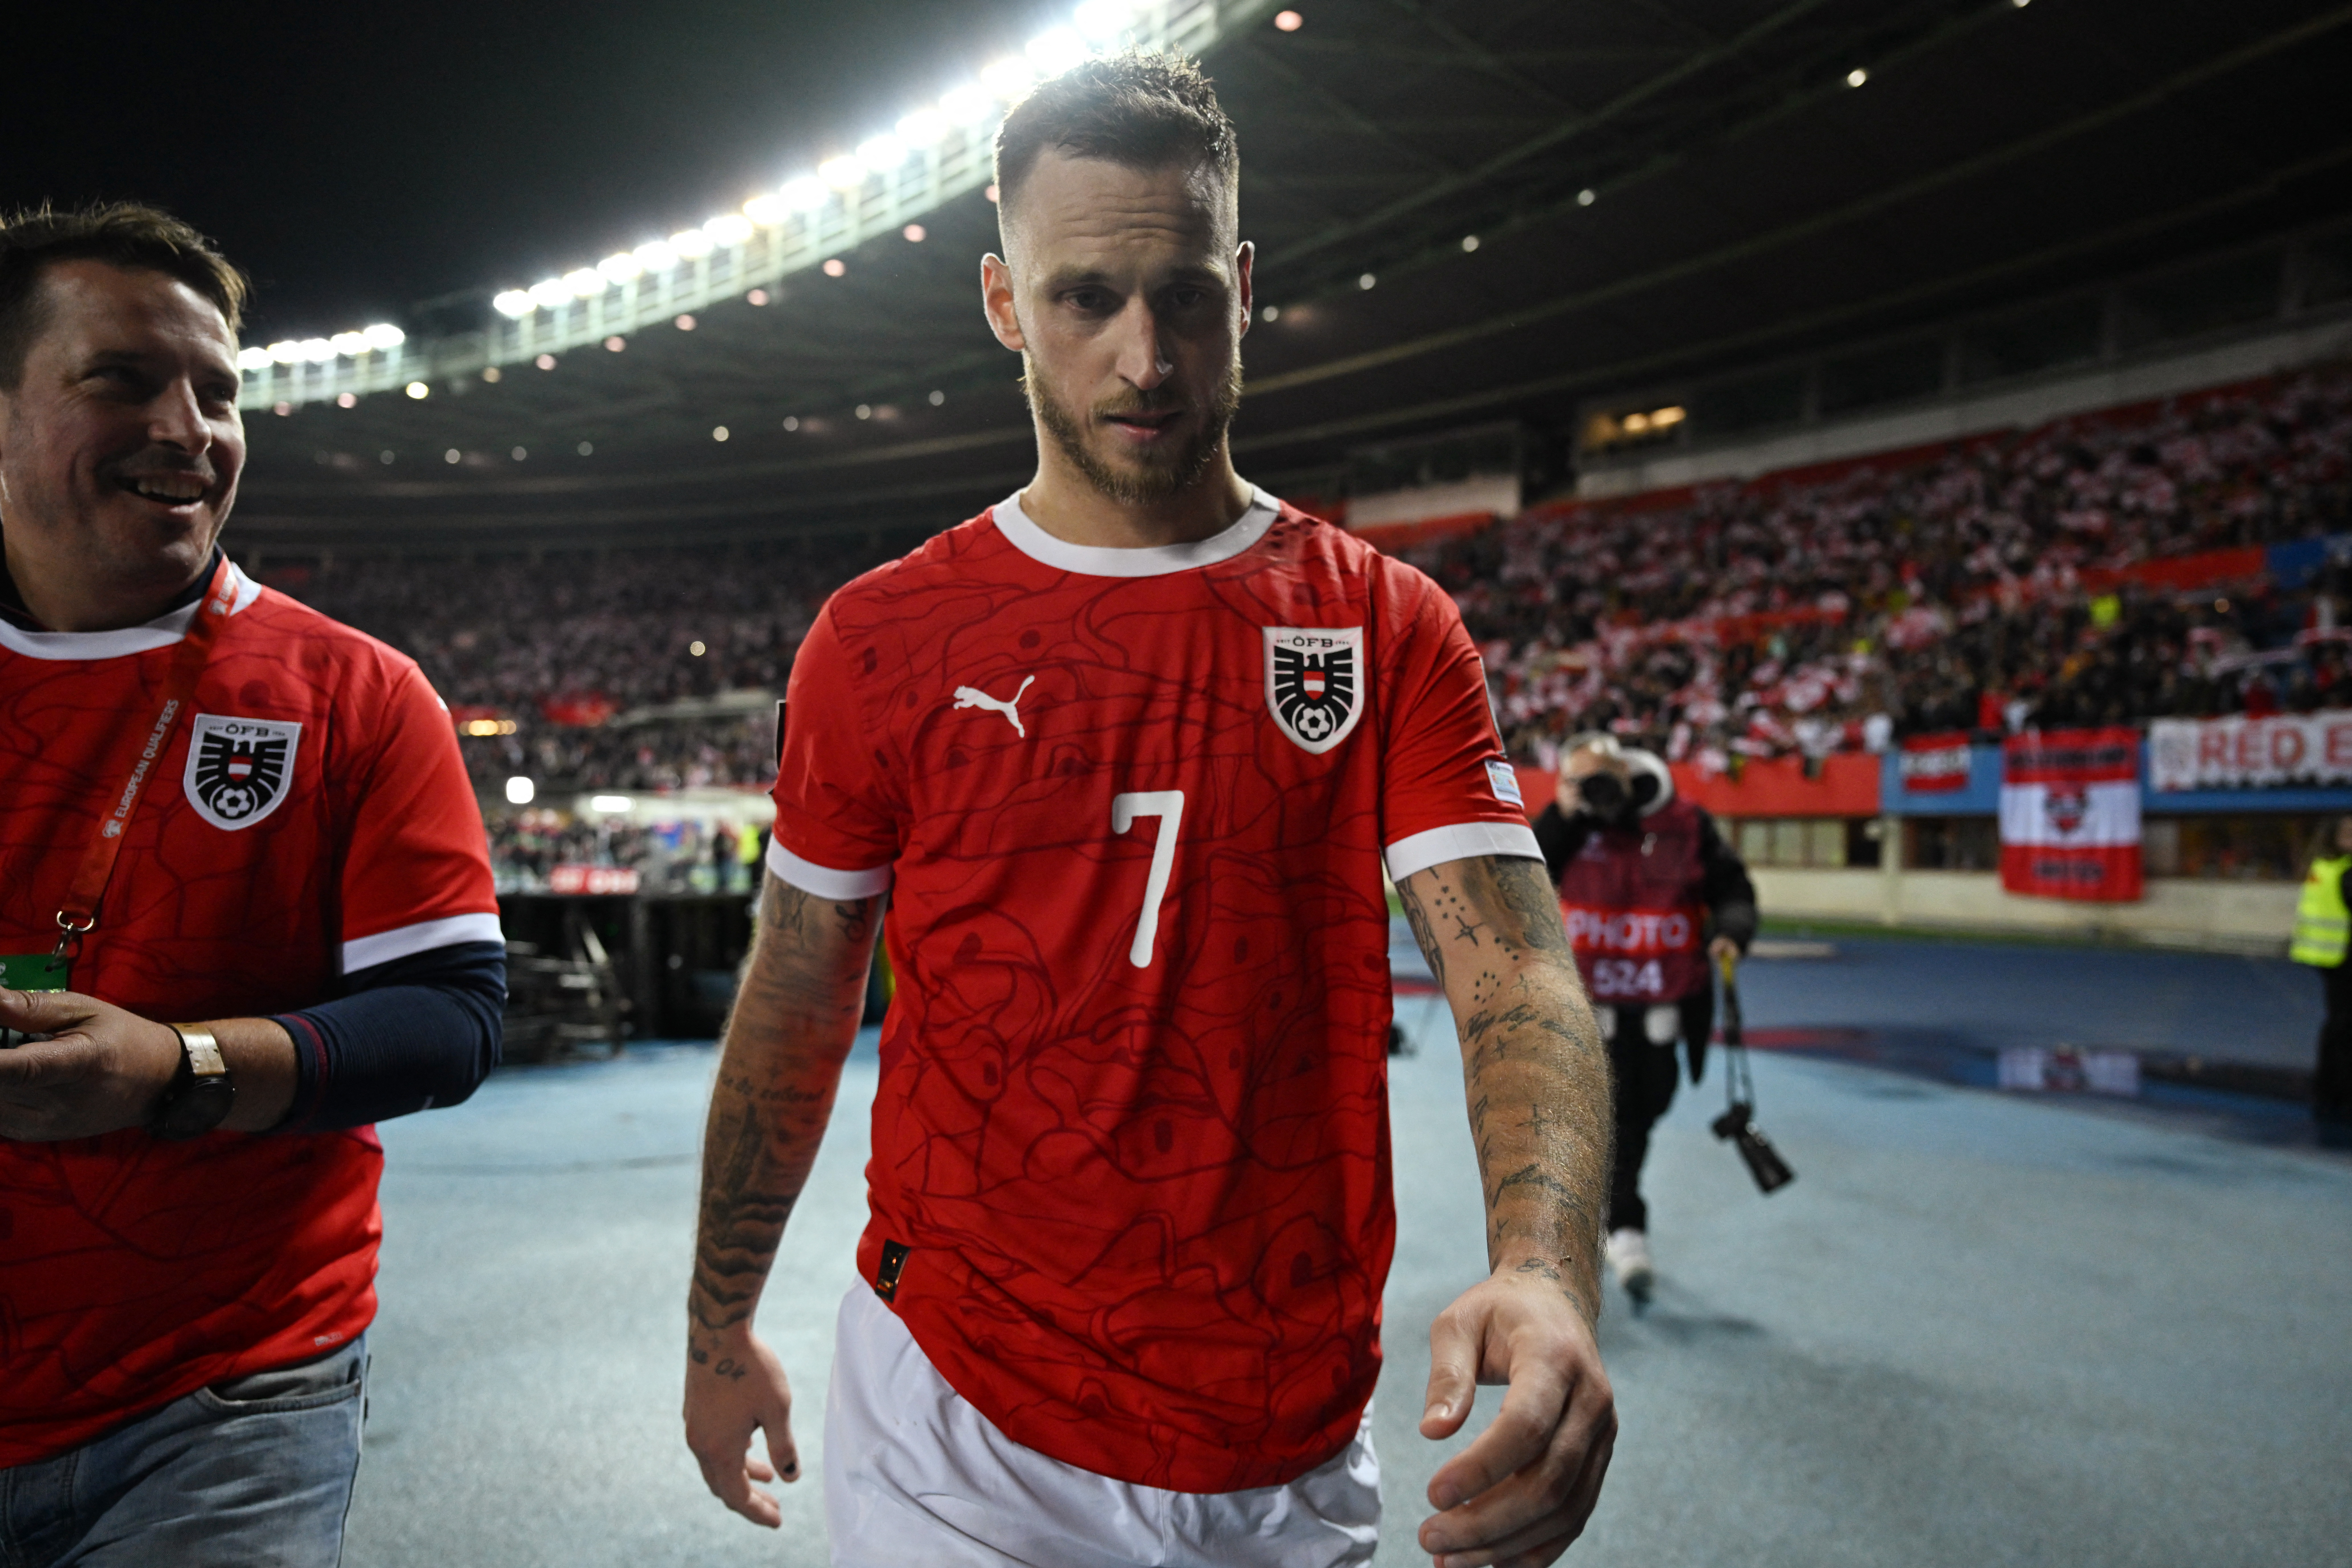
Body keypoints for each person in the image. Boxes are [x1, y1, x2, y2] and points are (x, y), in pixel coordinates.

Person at [682, 52, 1617, 1568]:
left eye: (1183, 293)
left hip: (1286, 1436)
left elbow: (1513, 975)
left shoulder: (1386, 628)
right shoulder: (880, 639)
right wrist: (720, 1325)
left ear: (1242, 285)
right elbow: (798, 989)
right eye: (1084, 298)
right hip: (958, 1417)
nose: (1143, 356)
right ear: (1003, 301)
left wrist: (1548, 1271)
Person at [0, 204, 505, 1563]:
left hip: (227, 1394)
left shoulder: (353, 692)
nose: (190, 428)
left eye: (218, 391)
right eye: (121, 380)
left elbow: (451, 1014)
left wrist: (174, 1069)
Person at [1533, 734, 1756, 1305]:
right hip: (1589, 1007)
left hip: (1662, 1007)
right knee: (1595, 1117)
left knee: (1642, 1111)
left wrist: (1731, 929)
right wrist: (1567, 810)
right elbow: (1526, 874)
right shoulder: (1571, 827)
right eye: (1592, 779)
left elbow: (1732, 886)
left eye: (1612, 777)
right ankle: (1621, 1224)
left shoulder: (1685, 823)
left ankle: (1609, 1215)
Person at [2288, 814, 2352, 1140]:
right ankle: (2337, 1094)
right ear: (2337, 839)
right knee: (2343, 1031)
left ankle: (2330, 1093)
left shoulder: (2324, 867)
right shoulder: (2344, 872)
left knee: (2337, 1028)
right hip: (2343, 961)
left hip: (2331, 960)